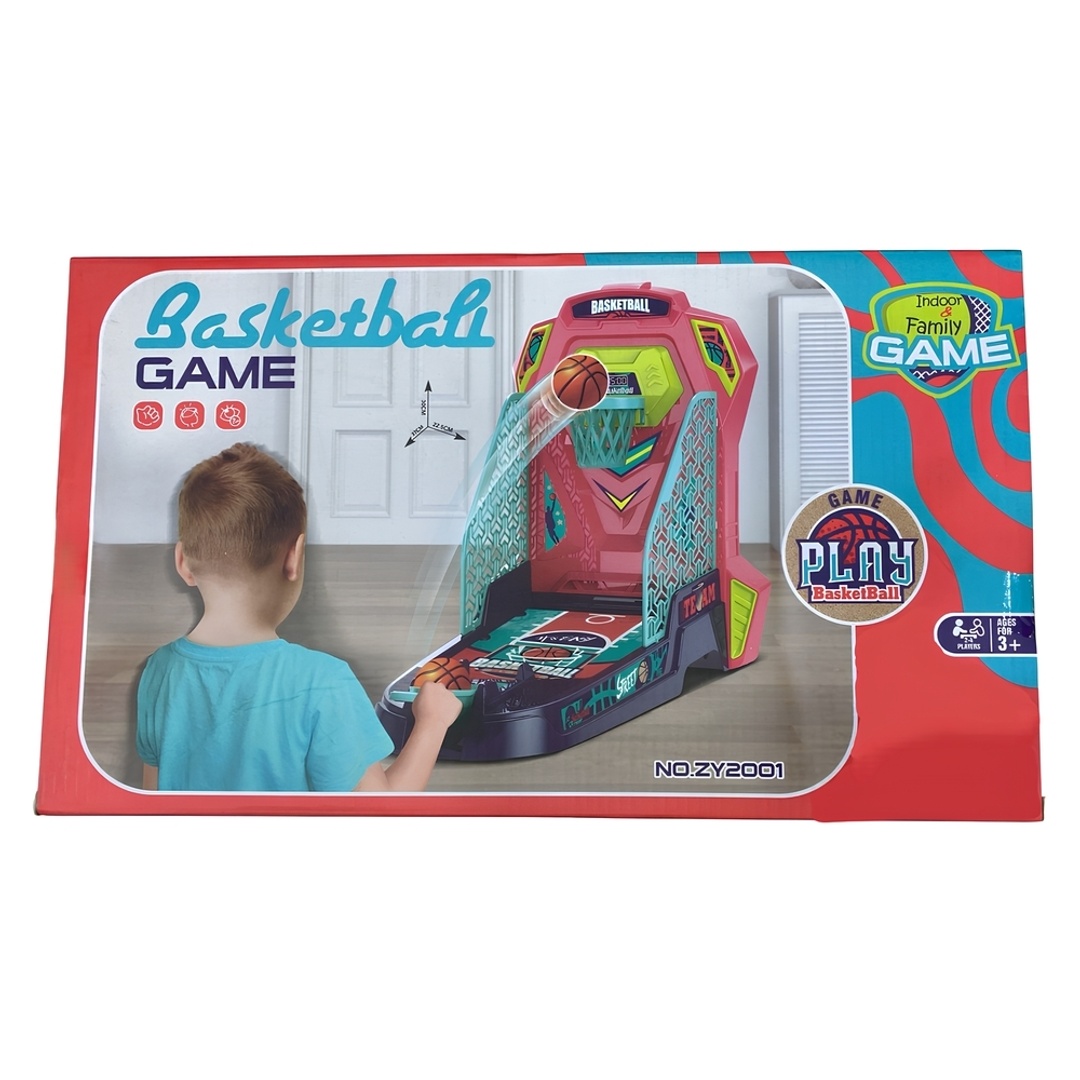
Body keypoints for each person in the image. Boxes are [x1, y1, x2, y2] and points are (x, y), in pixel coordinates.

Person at [136, 442, 461, 792]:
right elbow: (378, 811)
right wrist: (433, 723)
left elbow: (153, 803)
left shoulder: (159, 671)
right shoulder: (323, 681)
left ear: (183, 562)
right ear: (294, 557)